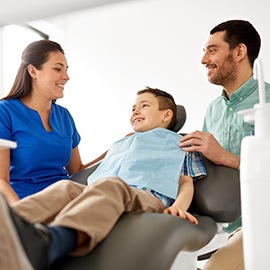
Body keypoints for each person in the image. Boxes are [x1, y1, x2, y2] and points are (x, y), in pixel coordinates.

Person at [0, 87, 206, 270]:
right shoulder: (123, 143)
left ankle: (50, 243)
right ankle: (9, 226)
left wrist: (179, 207)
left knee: (111, 185)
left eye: (144, 106)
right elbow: (90, 170)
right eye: (133, 108)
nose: (135, 111)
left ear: (167, 115)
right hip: (109, 191)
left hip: (147, 196)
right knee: (65, 188)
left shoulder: (181, 143)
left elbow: (185, 182)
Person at [180, 20, 270, 269]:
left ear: (239, 52)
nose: (203, 59)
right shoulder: (213, 109)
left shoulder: (268, 101)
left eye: (212, 50)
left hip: (260, 222)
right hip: (218, 227)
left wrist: (225, 157)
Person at [0, 40, 96, 204]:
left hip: (66, 202)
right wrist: (22, 216)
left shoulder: (64, 116)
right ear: (33, 71)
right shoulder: (5, 112)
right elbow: (1, 180)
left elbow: (78, 170)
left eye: (66, 70)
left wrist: (119, 148)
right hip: (26, 205)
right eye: (58, 69)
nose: (66, 77)